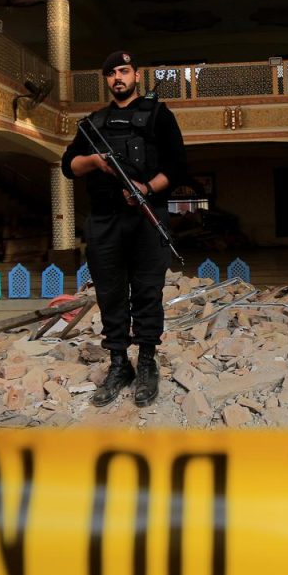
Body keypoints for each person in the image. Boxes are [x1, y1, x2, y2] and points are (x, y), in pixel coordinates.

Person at [61, 50, 186, 407]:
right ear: (106, 79)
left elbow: (178, 167)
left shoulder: (159, 115)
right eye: (112, 72)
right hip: (104, 221)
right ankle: (119, 364)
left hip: (146, 216)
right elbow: (69, 166)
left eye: (124, 71)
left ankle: (146, 362)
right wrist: (95, 162)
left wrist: (146, 189)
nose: (118, 77)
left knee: (147, 291)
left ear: (135, 75)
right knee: (111, 294)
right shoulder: (92, 124)